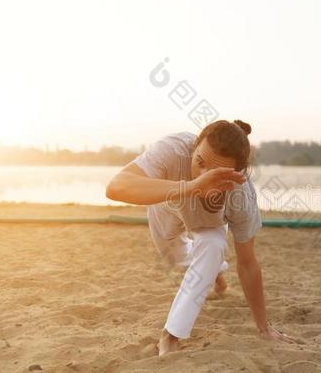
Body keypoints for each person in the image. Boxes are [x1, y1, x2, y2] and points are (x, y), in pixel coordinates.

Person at [106, 119, 296, 357]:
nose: (204, 173)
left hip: (209, 224)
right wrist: (193, 186)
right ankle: (213, 270)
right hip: (168, 205)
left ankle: (171, 335)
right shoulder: (173, 150)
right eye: (199, 162)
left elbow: (248, 263)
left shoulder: (241, 195)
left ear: (236, 175)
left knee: (213, 245)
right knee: (177, 261)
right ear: (194, 146)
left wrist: (263, 327)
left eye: (215, 172)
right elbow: (115, 187)